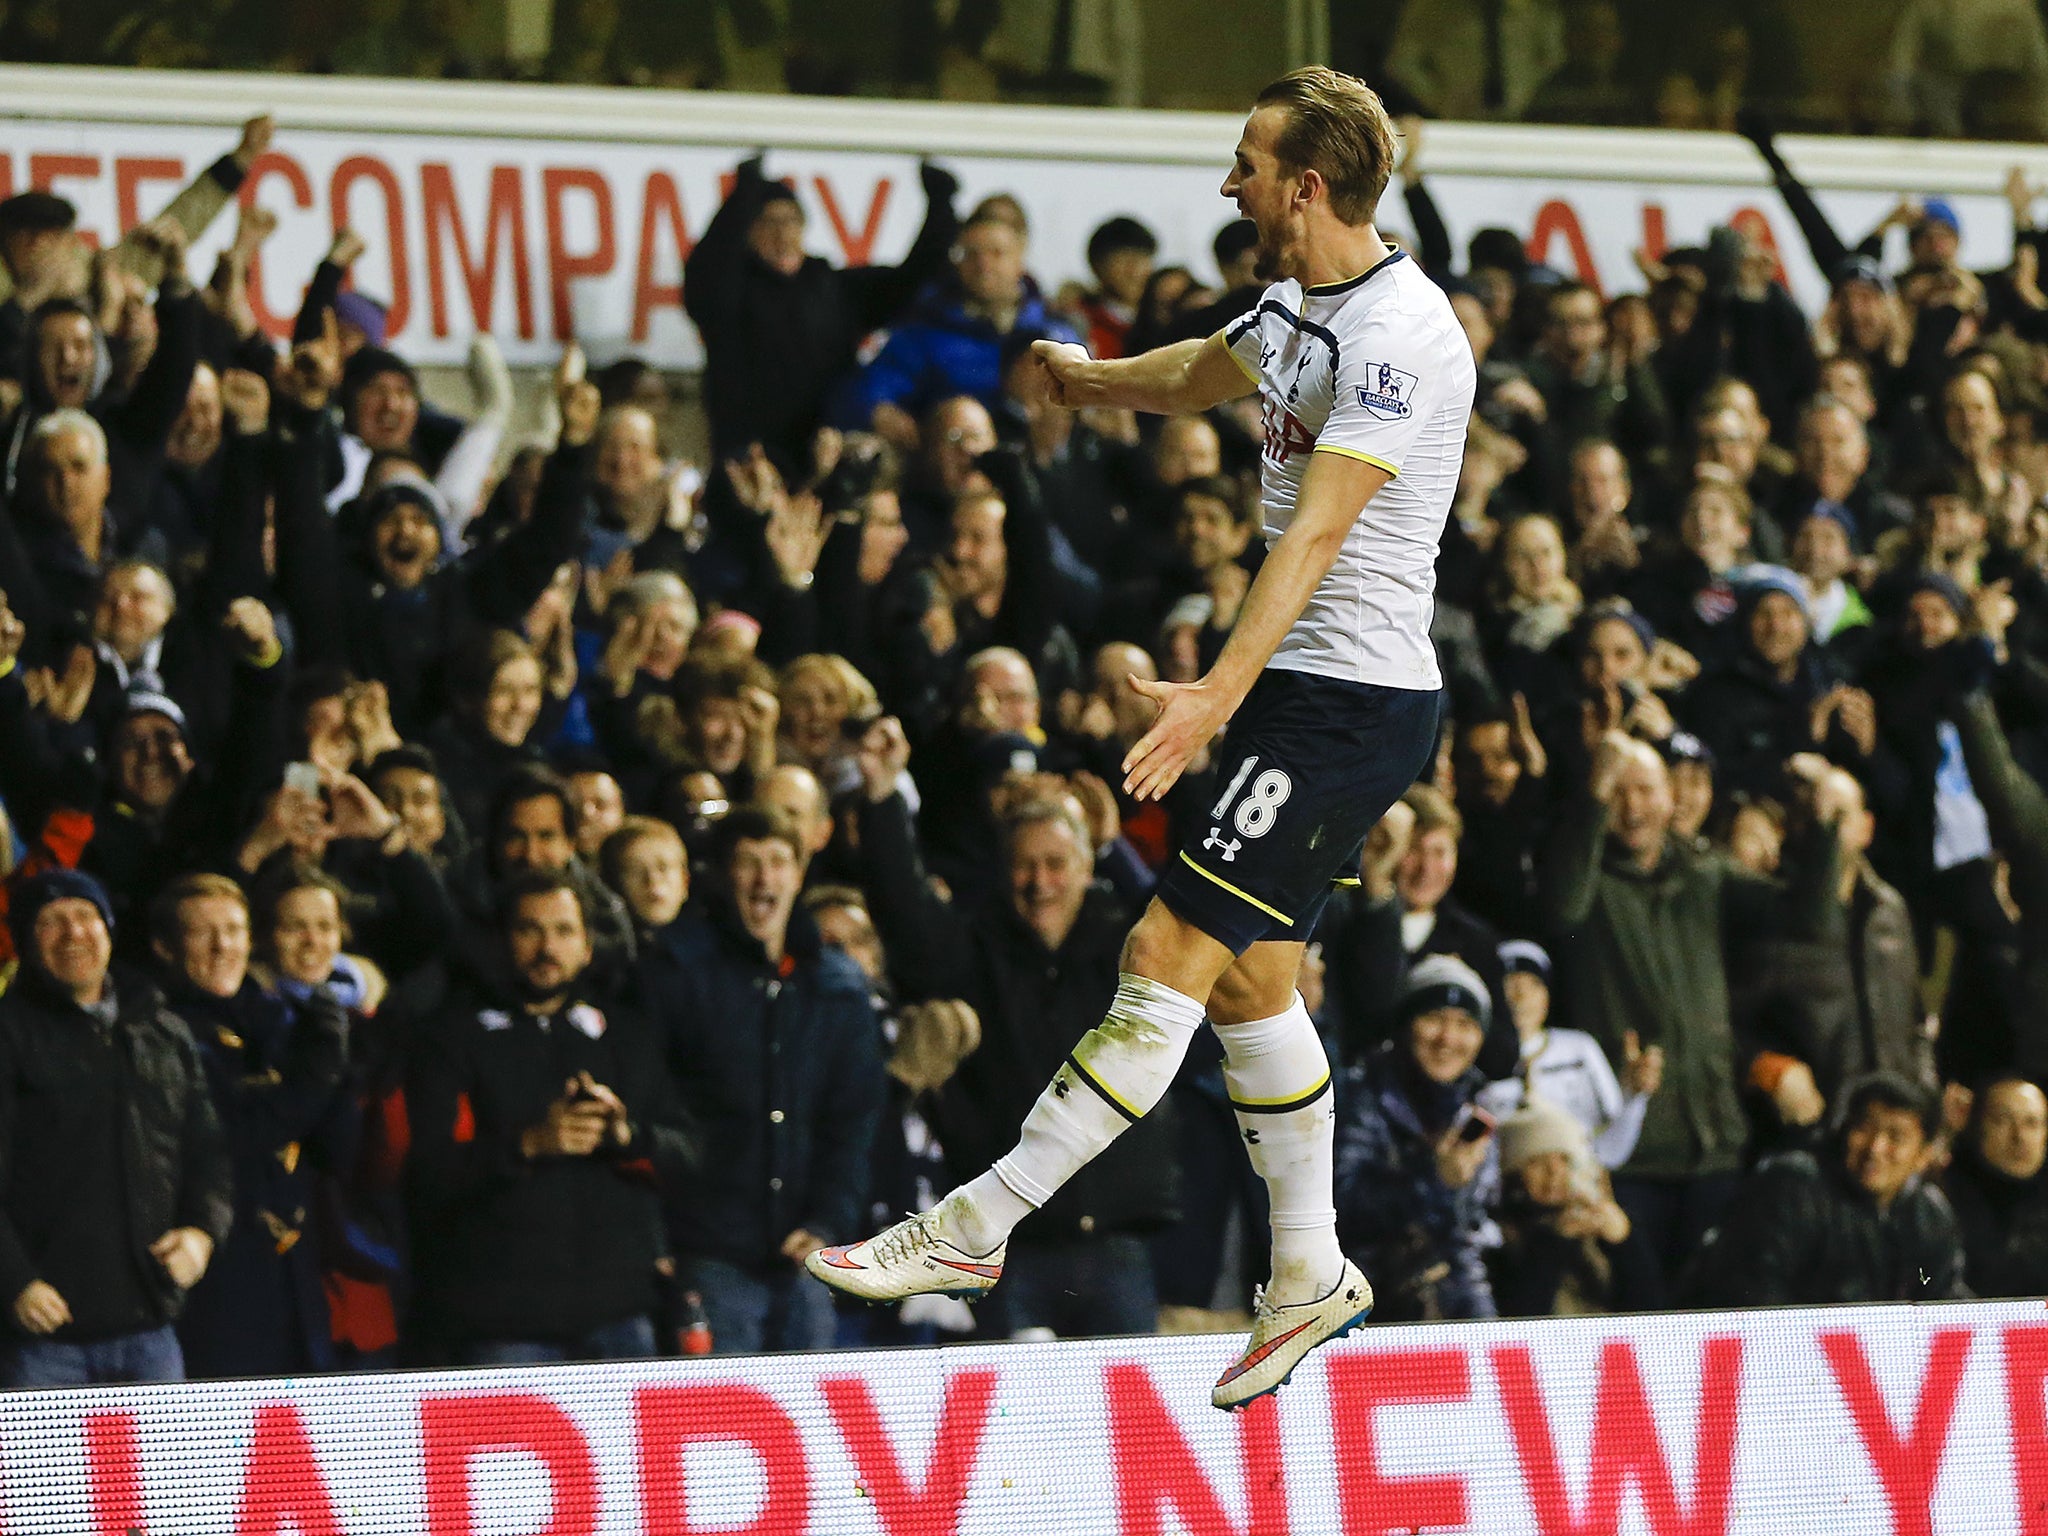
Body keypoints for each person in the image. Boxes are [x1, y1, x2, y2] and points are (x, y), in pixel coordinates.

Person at [811, 66, 1474, 1410]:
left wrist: (1218, 693)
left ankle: (974, 1226)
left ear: (1306, 182)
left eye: (1246, 162)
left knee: (1162, 951)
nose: (1225, 184)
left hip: (1345, 699)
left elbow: (1321, 528)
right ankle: (1311, 1273)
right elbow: (1203, 373)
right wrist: (1088, 382)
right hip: (1308, 692)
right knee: (1248, 986)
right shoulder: (1299, 302)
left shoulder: (1406, 334)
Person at [406, 871, 693, 1364]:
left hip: (621, 1319)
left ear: (587, 945)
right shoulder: (450, 1041)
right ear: (501, 941)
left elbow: (688, 1153)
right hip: (503, 1326)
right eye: (529, 930)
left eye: (563, 931)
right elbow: (426, 1177)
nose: (547, 948)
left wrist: (627, 1136)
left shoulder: (628, 1036)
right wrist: (529, 1144)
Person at [660, 808, 884, 1353]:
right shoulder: (678, 973)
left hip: (806, 1258)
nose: (765, 879)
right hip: (710, 1254)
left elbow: (853, 1122)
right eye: (749, 863)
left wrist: (829, 1220)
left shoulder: (838, 987)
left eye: (779, 862)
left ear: (800, 872)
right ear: (721, 874)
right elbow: (658, 1110)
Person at [0, 870, 231, 1388]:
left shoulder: (163, 1030)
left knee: (168, 1474)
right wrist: (14, 1282)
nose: (73, 933)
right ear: (24, 942)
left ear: (108, 928)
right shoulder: (8, 1035)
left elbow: (209, 1153)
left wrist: (201, 1233)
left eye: (85, 916)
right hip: (41, 1341)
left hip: (151, 1331)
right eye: (51, 922)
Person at [1689, 1073, 1967, 1307]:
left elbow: (1940, 1299)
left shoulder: (1930, 1216)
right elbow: (1754, 1291)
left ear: (1923, 1156)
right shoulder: (1792, 1187)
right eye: (1864, 1127)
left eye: (1896, 1136)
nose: (1875, 1148)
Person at [1332, 956, 1499, 1322]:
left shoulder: (1475, 1104)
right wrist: (1433, 1178)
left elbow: (1468, 1231)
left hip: (1450, 1284)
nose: (1448, 1039)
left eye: (1465, 1024)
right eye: (1434, 1018)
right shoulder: (1362, 1092)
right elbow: (1340, 1207)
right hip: (1363, 1292)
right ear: (1406, 1025)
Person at [1943, 1075, 2048, 1299]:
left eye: (2032, 1123)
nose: (2019, 1137)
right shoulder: (1942, 1200)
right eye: (2003, 1120)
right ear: (1975, 1125)